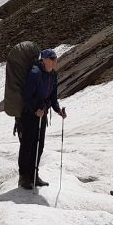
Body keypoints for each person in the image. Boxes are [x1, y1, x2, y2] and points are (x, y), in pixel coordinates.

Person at [18, 48, 66, 190]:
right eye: (51, 58)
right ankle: (23, 177)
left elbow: (53, 97)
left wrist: (58, 110)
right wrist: (35, 110)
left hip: (42, 114)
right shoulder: (34, 73)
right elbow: (26, 96)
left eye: (55, 58)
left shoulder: (53, 75)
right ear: (44, 59)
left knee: (39, 145)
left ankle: (34, 175)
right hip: (29, 114)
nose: (54, 60)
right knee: (27, 144)